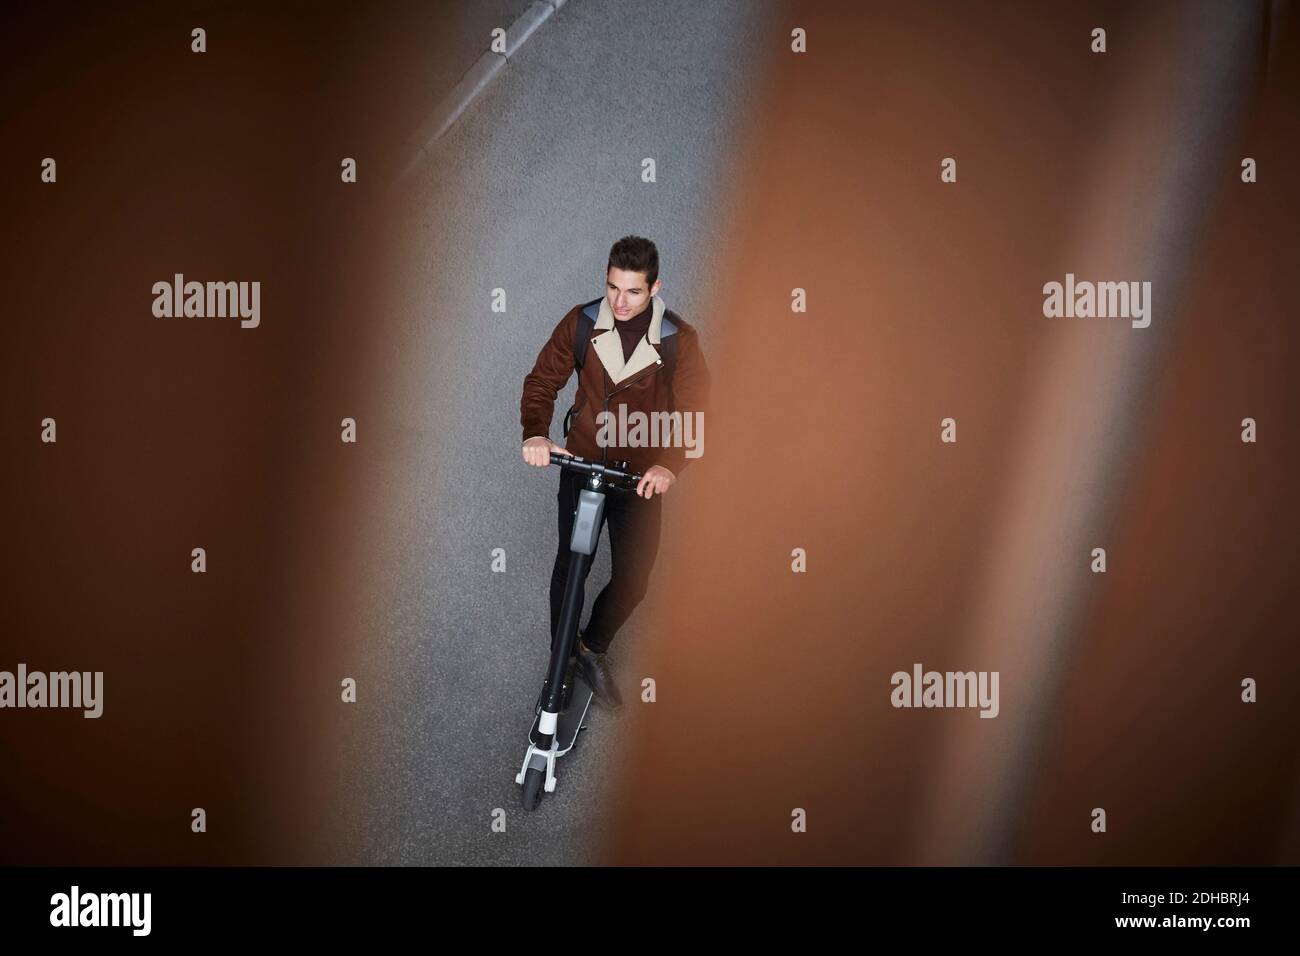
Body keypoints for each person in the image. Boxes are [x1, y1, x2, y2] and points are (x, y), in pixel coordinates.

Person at [519, 235, 710, 708]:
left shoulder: (677, 340)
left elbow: (696, 410)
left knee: (635, 578)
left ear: (655, 288)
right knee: (572, 569)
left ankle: (591, 647)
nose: (620, 302)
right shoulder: (582, 322)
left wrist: (671, 466)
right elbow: (542, 380)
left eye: (633, 292)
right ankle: (559, 662)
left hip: (639, 480)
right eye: (613, 289)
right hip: (583, 467)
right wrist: (535, 434)